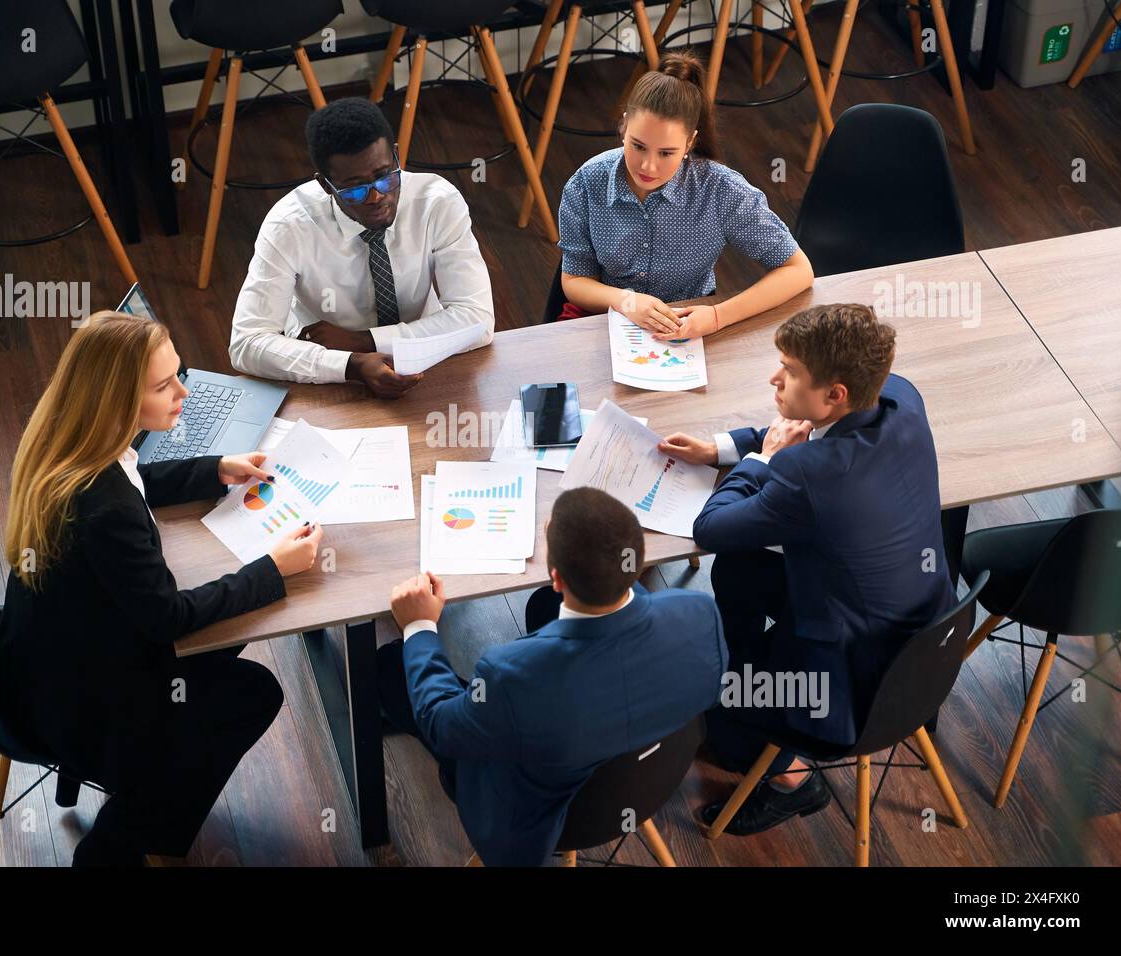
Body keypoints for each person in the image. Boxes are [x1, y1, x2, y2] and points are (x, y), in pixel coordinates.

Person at [0, 311, 325, 866]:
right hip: (75, 704)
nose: (184, 392)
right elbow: (166, 619)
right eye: (164, 384)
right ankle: (125, 837)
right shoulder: (106, 510)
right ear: (118, 399)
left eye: (179, 374)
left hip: (34, 657)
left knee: (224, 638)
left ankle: (160, 806)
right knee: (254, 691)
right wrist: (272, 569)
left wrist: (215, 469)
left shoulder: (74, 447)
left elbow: (134, 482)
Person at [659, 303, 955, 835]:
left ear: (835, 392)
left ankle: (790, 778)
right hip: (922, 637)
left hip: (848, 683)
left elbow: (712, 528)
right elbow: (808, 427)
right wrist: (722, 448)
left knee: (703, 688)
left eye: (790, 371)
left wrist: (760, 460)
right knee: (739, 570)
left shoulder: (808, 476)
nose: (774, 378)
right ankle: (746, 675)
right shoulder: (900, 397)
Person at [377, 487, 727, 866]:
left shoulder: (510, 677)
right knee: (544, 607)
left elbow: (441, 725)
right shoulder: (699, 611)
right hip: (653, 780)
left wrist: (419, 624)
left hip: (538, 821)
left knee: (391, 667)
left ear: (557, 576)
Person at [229, 97, 495, 398]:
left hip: (429, 357)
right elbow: (246, 344)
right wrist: (352, 365)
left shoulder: (437, 203)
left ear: (396, 157)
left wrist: (365, 341)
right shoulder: (288, 226)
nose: (375, 197)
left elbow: (478, 321)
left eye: (384, 177)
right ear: (326, 185)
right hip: (322, 368)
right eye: (355, 189)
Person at [557, 50, 813, 336]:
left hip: (688, 324)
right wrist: (626, 302)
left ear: (690, 142)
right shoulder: (586, 183)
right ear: (624, 126)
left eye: (666, 153)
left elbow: (798, 270)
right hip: (603, 317)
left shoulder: (721, 190)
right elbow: (575, 281)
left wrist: (718, 316)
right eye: (638, 146)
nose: (648, 166)